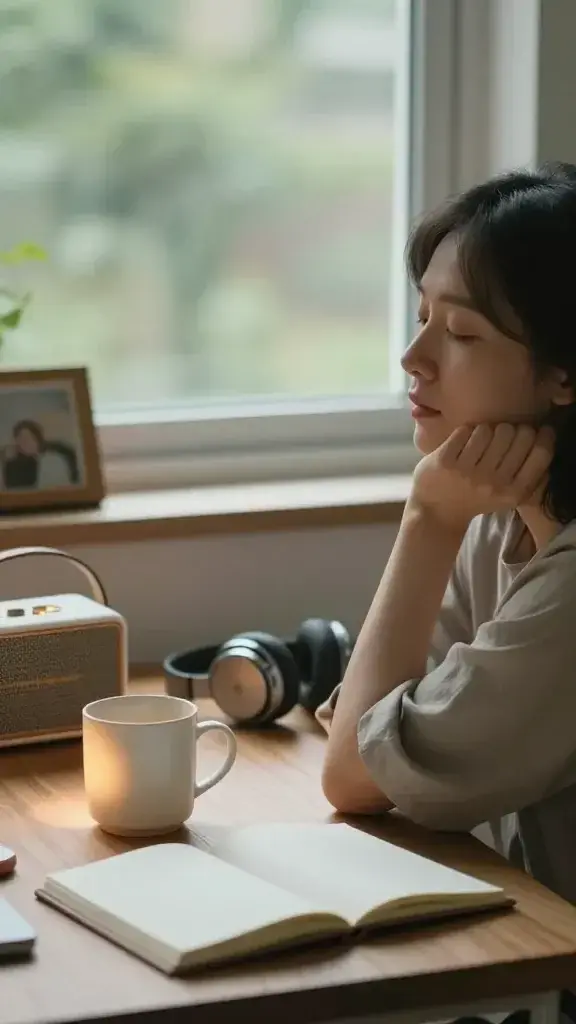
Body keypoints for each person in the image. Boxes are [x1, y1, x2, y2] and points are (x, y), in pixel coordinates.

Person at [317, 162, 576, 919]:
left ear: (563, 375)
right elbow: (370, 721)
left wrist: (426, 521)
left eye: (460, 332)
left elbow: (353, 776)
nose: (413, 357)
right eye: (423, 316)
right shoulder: (497, 514)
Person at [1, 420, 44, 489]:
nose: (23, 442)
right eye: (20, 438)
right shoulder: (12, 464)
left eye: (28, 438)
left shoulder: (49, 460)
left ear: (37, 440)